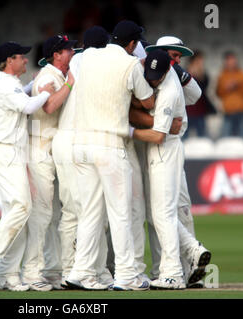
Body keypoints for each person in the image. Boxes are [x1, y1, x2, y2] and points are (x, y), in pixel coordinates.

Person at [67, 20, 154, 291]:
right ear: (132, 44)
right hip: (109, 146)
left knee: (91, 212)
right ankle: (127, 275)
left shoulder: (89, 55)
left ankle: (80, 271)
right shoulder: (129, 65)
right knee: (120, 213)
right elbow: (148, 101)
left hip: (80, 145)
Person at [0, 41, 54, 292]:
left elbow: (22, 97)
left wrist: (33, 86)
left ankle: (8, 274)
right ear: (9, 61)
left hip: (11, 153)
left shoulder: (10, 85)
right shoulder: (6, 85)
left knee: (16, 213)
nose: (26, 61)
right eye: (21, 57)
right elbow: (28, 106)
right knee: (22, 206)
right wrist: (46, 92)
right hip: (4, 151)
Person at [131, 49, 210, 290]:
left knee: (163, 214)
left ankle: (173, 274)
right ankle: (192, 250)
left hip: (165, 150)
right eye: (149, 74)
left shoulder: (170, 91)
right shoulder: (161, 74)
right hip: (162, 151)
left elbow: (157, 136)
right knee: (159, 213)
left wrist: (127, 130)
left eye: (157, 76)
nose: (152, 80)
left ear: (168, 70)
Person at [51, 26, 113, 289]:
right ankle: (75, 270)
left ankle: (91, 270)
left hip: (78, 140)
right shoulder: (90, 61)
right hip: (73, 139)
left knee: (86, 210)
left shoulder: (78, 61)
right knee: (80, 212)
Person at [21, 35, 76, 291]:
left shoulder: (56, 75)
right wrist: (71, 85)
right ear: (57, 54)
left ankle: (51, 270)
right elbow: (50, 106)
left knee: (53, 215)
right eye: (68, 49)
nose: (73, 52)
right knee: (42, 215)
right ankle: (32, 273)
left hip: (49, 150)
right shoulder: (47, 77)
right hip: (39, 150)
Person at [216, 51, 243, 139]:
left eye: (233, 60)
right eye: (229, 60)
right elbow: (218, 93)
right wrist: (226, 88)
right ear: (225, 62)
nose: (231, 62)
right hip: (228, 113)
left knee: (242, 138)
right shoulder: (222, 75)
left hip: (241, 112)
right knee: (226, 139)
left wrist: (238, 85)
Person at [185, 50, 216, 138]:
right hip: (187, 111)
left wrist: (200, 75)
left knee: (202, 137)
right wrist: (191, 74)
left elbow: (204, 88)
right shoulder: (184, 72)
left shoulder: (203, 74)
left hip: (200, 111)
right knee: (184, 136)